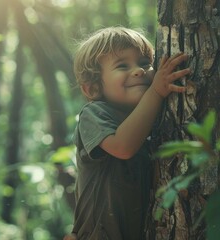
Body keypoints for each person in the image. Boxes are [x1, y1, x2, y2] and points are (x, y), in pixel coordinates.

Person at [64, 27, 190, 240]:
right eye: (122, 65)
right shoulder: (93, 114)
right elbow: (122, 146)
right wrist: (156, 91)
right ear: (93, 88)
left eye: (144, 63)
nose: (139, 71)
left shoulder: (150, 118)